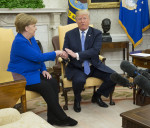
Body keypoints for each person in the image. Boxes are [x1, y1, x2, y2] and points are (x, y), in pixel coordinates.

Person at [7, 13, 77, 126]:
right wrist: (56, 53)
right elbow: (38, 57)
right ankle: (62, 117)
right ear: (26, 28)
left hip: (34, 72)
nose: (36, 28)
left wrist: (44, 69)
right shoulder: (19, 42)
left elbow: (38, 55)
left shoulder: (31, 38)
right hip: (22, 76)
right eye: (34, 25)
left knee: (53, 82)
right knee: (46, 87)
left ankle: (52, 118)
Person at [63, 10, 116, 113]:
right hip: (77, 66)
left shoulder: (96, 33)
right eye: (80, 19)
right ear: (76, 20)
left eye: (85, 18)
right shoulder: (69, 34)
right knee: (79, 81)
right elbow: (66, 49)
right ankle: (77, 100)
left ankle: (97, 95)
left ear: (89, 19)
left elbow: (95, 51)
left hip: (94, 65)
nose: (82, 21)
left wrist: (77, 54)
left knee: (113, 77)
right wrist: (65, 55)